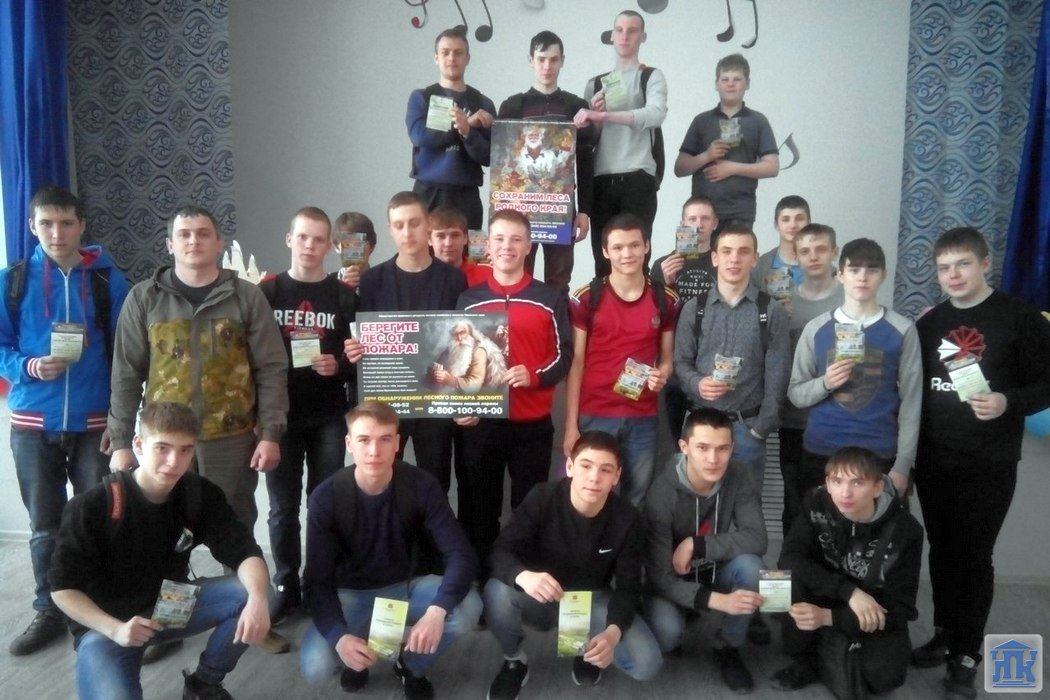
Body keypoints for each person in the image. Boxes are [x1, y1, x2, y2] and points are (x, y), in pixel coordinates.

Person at [107, 204, 289, 654]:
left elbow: (271, 367)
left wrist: (270, 432)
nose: (194, 241)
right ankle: (160, 624)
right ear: (170, 244)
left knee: (236, 528)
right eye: (185, 234)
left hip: (231, 438)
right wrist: (121, 441)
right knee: (161, 533)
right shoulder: (144, 298)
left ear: (218, 242)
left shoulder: (245, 296)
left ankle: (251, 617)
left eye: (203, 233)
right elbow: (126, 373)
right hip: (164, 443)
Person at [49, 402, 273, 700]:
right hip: (108, 625)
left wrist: (258, 599)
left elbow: (245, 553)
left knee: (257, 592)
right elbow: (62, 589)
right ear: (139, 444)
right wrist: (115, 630)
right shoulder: (92, 505)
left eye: (185, 450)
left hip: (169, 605)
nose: (174, 462)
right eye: (162, 448)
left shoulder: (199, 494)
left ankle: (204, 683)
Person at [911, 227, 1050, 700]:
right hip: (934, 459)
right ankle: (946, 633)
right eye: (944, 267)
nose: (953, 275)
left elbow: (1046, 385)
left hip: (989, 462)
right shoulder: (930, 324)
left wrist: (1008, 402)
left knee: (974, 557)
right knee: (942, 551)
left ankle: (967, 654)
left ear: (985, 263)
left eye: (963, 264)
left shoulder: (1020, 318)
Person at [0, 185, 129, 656]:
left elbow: (128, 352)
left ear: (81, 226)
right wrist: (28, 366)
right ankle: (49, 608)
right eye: (47, 224)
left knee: (99, 518)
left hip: (96, 423)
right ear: (32, 227)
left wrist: (121, 419)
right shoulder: (12, 282)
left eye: (66, 223)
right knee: (45, 525)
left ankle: (98, 603)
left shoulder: (109, 281)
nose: (57, 233)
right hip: (33, 423)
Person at [299, 401, 482, 699]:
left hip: (406, 588)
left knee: (467, 607)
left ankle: (410, 665)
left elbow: (460, 554)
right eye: (364, 440)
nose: (374, 451)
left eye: (385, 439)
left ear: (397, 443)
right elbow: (317, 581)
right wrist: (340, 638)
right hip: (350, 594)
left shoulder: (421, 484)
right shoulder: (326, 497)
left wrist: (437, 611)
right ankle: (358, 654)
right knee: (316, 666)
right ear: (349, 444)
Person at [484, 431, 661, 700]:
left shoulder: (628, 518)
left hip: (592, 599)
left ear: (617, 476)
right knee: (497, 591)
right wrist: (523, 576)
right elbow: (501, 550)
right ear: (569, 467)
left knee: (646, 663)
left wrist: (612, 634)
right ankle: (514, 660)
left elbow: (629, 586)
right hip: (541, 595)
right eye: (586, 466)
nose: (594, 477)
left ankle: (587, 650)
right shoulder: (542, 497)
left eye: (605, 470)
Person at [456, 209, 573, 581]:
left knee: (528, 511)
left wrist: (534, 375)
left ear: (528, 247)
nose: (507, 246)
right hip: (482, 424)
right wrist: (459, 405)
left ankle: (520, 585)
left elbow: (565, 356)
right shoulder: (468, 299)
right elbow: (456, 359)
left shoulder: (549, 297)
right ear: (488, 246)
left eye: (516, 239)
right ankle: (480, 583)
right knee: (480, 510)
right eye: (500, 239)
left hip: (532, 425)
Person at [258, 207, 359, 620]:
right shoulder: (266, 292)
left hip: (328, 415)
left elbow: (360, 356)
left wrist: (340, 365)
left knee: (324, 503)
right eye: (303, 237)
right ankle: (286, 584)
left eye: (319, 240)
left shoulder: (344, 295)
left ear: (330, 246)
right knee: (282, 509)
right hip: (280, 417)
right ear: (290, 239)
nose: (310, 246)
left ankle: (320, 581)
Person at [771, 447, 922, 698]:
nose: (845, 493)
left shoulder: (907, 530)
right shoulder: (815, 502)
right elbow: (789, 558)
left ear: (877, 488)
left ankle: (828, 637)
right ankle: (805, 657)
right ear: (828, 484)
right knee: (776, 582)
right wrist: (848, 591)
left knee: (886, 677)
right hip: (827, 589)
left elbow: (901, 610)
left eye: (857, 483)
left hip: (872, 605)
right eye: (837, 481)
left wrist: (829, 617)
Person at [643, 408, 768, 693]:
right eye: (702, 448)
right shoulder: (661, 493)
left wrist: (696, 544)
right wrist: (717, 601)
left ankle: (728, 647)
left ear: (732, 448)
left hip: (714, 569)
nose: (713, 459)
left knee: (753, 567)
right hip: (672, 578)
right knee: (667, 637)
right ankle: (679, 610)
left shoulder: (739, 474)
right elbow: (660, 577)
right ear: (684, 446)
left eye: (722, 449)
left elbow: (757, 538)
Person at [788, 238, 919, 501]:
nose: (862, 277)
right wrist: (825, 383)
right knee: (816, 526)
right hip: (822, 449)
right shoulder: (816, 328)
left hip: (879, 452)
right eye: (854, 270)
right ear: (840, 275)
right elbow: (796, 394)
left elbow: (912, 402)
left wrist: (903, 464)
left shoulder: (903, 329)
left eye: (871, 270)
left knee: (878, 528)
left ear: (883, 275)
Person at [356, 191, 467, 494]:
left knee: (436, 483)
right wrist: (354, 349)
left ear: (428, 224)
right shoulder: (372, 281)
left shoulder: (454, 280)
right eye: (399, 225)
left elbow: (461, 340)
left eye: (414, 223)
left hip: (436, 402)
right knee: (382, 481)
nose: (407, 232)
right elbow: (362, 339)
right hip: (388, 400)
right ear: (390, 230)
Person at [564, 213, 678, 506]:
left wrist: (662, 374)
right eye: (618, 247)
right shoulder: (587, 297)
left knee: (636, 500)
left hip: (643, 415)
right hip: (595, 413)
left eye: (634, 245)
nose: (627, 254)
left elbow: (667, 359)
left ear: (647, 246)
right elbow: (576, 363)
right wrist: (570, 426)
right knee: (588, 495)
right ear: (605, 251)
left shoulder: (665, 299)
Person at [673, 224, 790, 498]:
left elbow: (778, 374)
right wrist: (697, 383)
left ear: (755, 258)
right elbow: (681, 362)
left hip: (747, 429)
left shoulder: (770, 311)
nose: (734, 259)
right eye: (726, 251)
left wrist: (760, 429)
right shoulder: (694, 309)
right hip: (701, 427)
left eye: (743, 252)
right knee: (697, 506)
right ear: (715, 258)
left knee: (745, 507)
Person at [498, 30, 595, 294]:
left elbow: (585, 161)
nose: (547, 66)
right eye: (541, 59)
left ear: (562, 60)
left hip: (560, 208)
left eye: (553, 59)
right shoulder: (513, 106)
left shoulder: (576, 106)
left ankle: (557, 323)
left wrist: (584, 211)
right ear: (531, 60)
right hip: (520, 208)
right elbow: (502, 164)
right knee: (517, 276)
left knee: (559, 281)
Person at [577, 10, 668, 277]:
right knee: (603, 258)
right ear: (612, 36)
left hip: (638, 176)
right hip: (602, 178)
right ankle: (604, 304)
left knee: (637, 258)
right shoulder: (595, 83)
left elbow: (656, 114)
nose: (625, 36)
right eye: (619, 30)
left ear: (643, 37)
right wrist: (597, 119)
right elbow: (589, 141)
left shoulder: (650, 76)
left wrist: (605, 116)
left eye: (632, 30)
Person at [778, 224, 843, 534]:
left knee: (840, 510)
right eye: (805, 251)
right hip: (794, 421)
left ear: (834, 252)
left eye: (821, 249)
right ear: (796, 256)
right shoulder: (783, 303)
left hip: (841, 423)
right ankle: (793, 566)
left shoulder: (852, 298)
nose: (813, 257)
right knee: (795, 507)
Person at [674, 53, 779, 233]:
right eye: (725, 79)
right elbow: (680, 168)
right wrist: (707, 155)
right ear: (717, 84)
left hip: (739, 211)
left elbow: (772, 167)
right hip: (700, 213)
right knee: (692, 252)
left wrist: (732, 168)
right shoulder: (701, 121)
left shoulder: (758, 120)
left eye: (737, 79)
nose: (731, 84)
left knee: (736, 252)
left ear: (747, 84)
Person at [406, 27, 496, 229]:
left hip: (467, 195)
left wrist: (468, 132)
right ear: (436, 58)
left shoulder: (483, 104)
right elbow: (420, 137)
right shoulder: (422, 97)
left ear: (468, 58)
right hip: (428, 193)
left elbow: (489, 157)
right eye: (445, 52)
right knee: (425, 249)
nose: (452, 58)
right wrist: (464, 125)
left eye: (458, 53)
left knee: (468, 249)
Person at [650, 196, 720, 444]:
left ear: (715, 223)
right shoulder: (663, 265)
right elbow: (654, 318)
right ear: (682, 223)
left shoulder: (722, 261)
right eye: (692, 219)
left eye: (705, 218)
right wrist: (667, 284)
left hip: (711, 355)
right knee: (673, 435)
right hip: (675, 357)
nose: (698, 224)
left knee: (709, 432)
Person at [751, 195, 810, 298]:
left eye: (799, 219)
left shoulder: (823, 266)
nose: (793, 225)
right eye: (786, 219)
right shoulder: (760, 266)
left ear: (809, 223)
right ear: (776, 225)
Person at [430, 319, 506, 392]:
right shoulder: (453, 349)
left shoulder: (479, 351)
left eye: (462, 332)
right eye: (456, 334)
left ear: (471, 334)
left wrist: (450, 380)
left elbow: (474, 386)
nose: (459, 338)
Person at [428, 204, 490, 286]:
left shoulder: (487, 275)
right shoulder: (419, 279)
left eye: (455, 235)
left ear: (465, 238)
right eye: (441, 236)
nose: (448, 243)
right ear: (429, 240)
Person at [332, 211, 377, 290]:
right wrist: (344, 290)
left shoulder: (383, 283)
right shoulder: (327, 285)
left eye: (359, 243)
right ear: (337, 247)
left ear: (371, 247)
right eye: (347, 244)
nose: (354, 250)